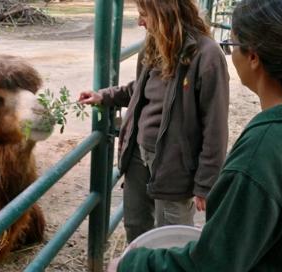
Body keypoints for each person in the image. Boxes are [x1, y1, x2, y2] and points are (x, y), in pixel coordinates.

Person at [109, 0, 282, 271]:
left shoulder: (262, 156)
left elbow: (211, 263)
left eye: (232, 43)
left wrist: (131, 264)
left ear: (253, 57)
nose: (228, 50)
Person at [79, 0, 229, 243]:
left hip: (175, 166)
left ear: (164, 13)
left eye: (143, 15)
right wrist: (104, 96)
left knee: (171, 236)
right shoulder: (153, 46)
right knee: (136, 225)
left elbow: (216, 127)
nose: (140, 22)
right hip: (137, 155)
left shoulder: (207, 55)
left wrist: (206, 183)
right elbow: (139, 89)